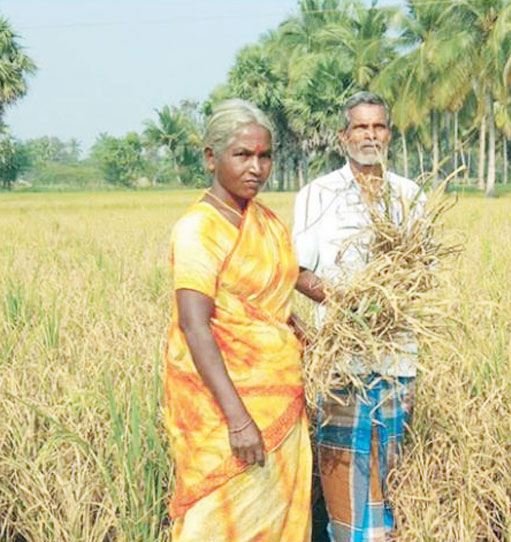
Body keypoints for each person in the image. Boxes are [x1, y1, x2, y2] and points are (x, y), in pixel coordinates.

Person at [163, 99, 311, 542]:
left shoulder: (265, 222)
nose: (257, 168)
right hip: (225, 408)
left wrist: (362, 296)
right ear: (212, 157)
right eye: (242, 155)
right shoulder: (198, 229)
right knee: (217, 519)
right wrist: (238, 419)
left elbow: (284, 282)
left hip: (281, 396)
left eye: (265, 156)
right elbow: (195, 325)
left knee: (276, 513)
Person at [293, 91, 422, 542]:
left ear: (388, 133)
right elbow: (298, 270)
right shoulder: (319, 194)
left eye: (378, 126)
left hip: (399, 357)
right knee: (344, 471)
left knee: (391, 473)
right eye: (361, 127)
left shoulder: (409, 196)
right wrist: (348, 302)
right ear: (344, 136)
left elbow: (423, 271)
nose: (370, 135)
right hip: (343, 360)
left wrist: (393, 299)